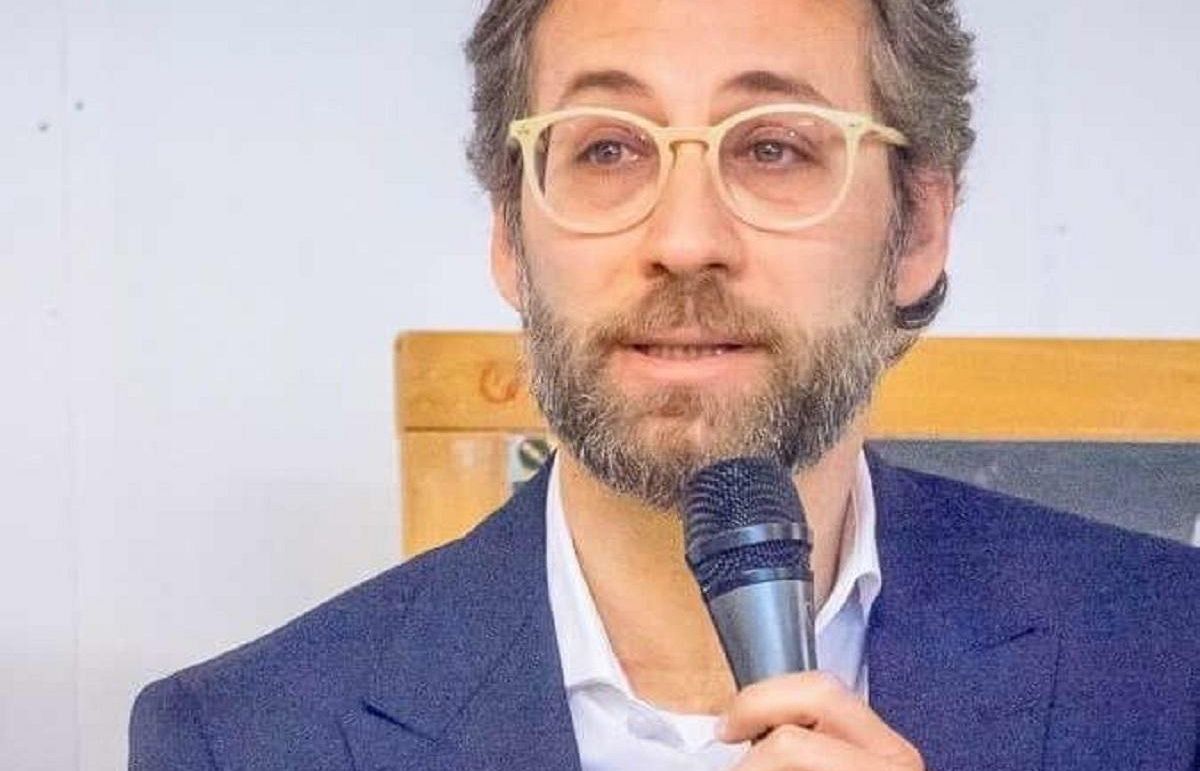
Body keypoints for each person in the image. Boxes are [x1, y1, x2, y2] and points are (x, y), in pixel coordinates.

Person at [129, 0, 1200, 769]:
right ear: (510, 235)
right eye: (608, 150)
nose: (685, 240)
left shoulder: (1169, 659)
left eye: (774, 148)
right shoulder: (247, 738)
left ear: (916, 228)